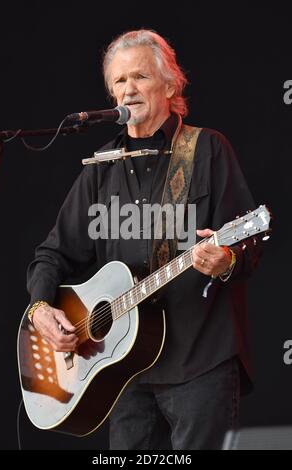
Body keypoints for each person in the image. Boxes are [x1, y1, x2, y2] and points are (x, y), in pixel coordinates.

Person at [26, 29, 262, 450]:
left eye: (140, 77)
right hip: (125, 371)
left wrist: (227, 258)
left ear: (170, 86)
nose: (128, 90)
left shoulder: (206, 150)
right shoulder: (100, 168)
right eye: (119, 81)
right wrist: (41, 307)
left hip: (200, 360)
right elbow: (53, 253)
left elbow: (249, 241)